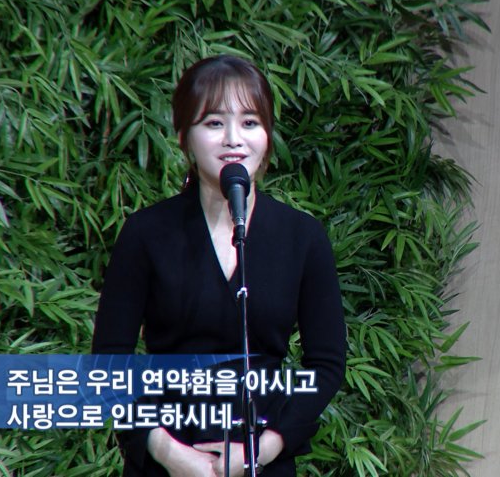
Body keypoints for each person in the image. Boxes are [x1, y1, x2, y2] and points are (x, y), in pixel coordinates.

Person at [92, 55, 347, 477]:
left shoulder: (302, 236)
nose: (233, 139)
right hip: (167, 461)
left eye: (250, 122)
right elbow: (109, 364)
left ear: (267, 135)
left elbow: (327, 364)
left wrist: (262, 450)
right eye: (213, 123)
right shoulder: (145, 233)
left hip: (262, 460)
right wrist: (169, 453)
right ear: (184, 137)